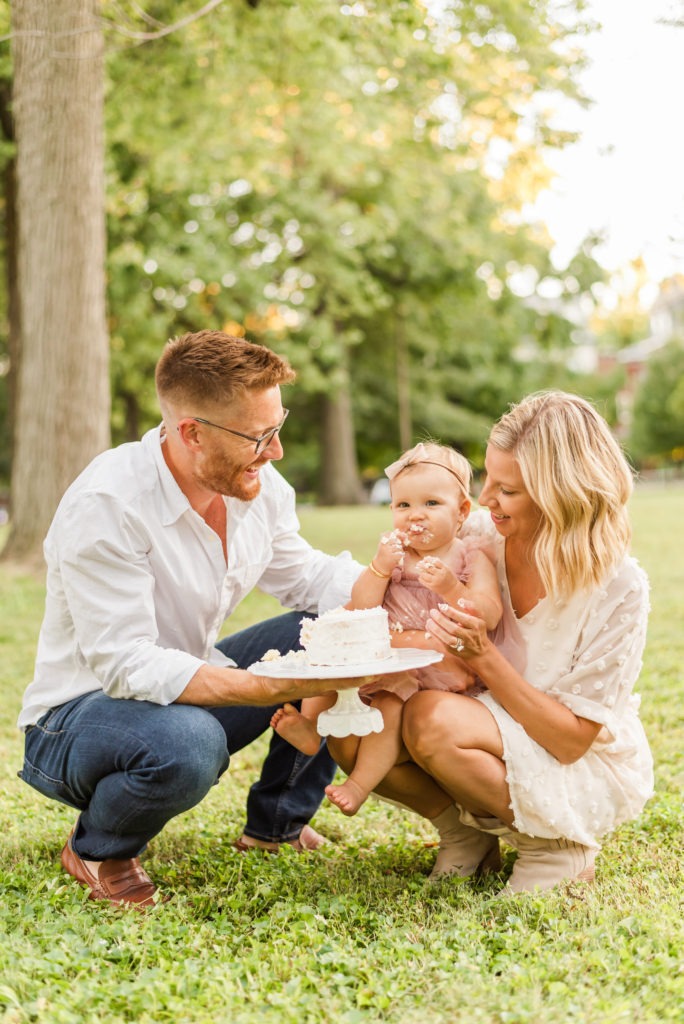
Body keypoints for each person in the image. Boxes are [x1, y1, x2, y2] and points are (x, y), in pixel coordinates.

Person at [17, 330, 369, 908]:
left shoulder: (255, 484)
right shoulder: (108, 505)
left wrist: (408, 592)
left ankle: (273, 826)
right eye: (261, 436)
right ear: (192, 433)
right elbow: (124, 663)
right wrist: (267, 686)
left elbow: (308, 578)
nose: (276, 451)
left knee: (334, 633)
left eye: (278, 427)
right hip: (77, 717)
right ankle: (98, 847)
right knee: (191, 744)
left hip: (181, 691)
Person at [335, 392, 654, 891]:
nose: (484, 500)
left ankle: (555, 847)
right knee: (354, 723)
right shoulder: (477, 535)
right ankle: (463, 836)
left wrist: (481, 654)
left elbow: (572, 741)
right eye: (487, 479)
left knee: (429, 717)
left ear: (562, 496)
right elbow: (391, 580)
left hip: (568, 753)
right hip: (475, 716)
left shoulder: (618, 587)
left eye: (508, 490)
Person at [270, 442, 502, 816]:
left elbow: (487, 613)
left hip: (432, 667)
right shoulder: (395, 556)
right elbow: (362, 604)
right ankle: (311, 727)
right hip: (386, 654)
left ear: (461, 512)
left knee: (391, 707)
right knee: (330, 666)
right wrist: (379, 568)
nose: (415, 516)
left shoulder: (470, 555)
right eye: (403, 505)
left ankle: (359, 784)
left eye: (431, 504)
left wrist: (449, 587)